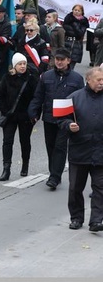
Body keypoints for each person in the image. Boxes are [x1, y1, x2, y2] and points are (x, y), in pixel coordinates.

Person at [28, 47, 85, 190]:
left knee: (60, 147)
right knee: (50, 146)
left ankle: (54, 177)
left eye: (62, 60)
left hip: (66, 120)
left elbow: (81, 99)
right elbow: (38, 96)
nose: (59, 62)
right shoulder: (46, 76)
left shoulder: (77, 79)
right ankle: (53, 172)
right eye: (57, 59)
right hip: (49, 117)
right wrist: (33, 112)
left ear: (68, 61)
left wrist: (80, 119)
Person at [60, 67, 103, 231]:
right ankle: (77, 218)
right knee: (75, 187)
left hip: (100, 150)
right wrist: (68, 125)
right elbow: (61, 119)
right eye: (98, 80)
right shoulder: (74, 98)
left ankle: (96, 220)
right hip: (80, 150)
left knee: (100, 187)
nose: (101, 83)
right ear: (89, 80)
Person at [0, 54, 38, 181]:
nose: (23, 66)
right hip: (10, 116)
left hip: (26, 117)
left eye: (24, 63)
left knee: (25, 141)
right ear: (14, 65)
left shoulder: (31, 78)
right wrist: (4, 111)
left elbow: (37, 97)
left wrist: (35, 114)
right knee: (7, 141)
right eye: (20, 64)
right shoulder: (7, 77)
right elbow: (0, 95)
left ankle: (25, 165)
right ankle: (6, 169)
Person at [62, 4, 88, 70]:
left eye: (78, 10)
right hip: (67, 42)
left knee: (71, 65)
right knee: (63, 63)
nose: (76, 11)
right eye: (75, 10)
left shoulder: (84, 21)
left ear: (82, 12)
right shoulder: (68, 18)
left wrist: (74, 22)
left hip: (77, 44)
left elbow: (80, 33)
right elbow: (66, 29)